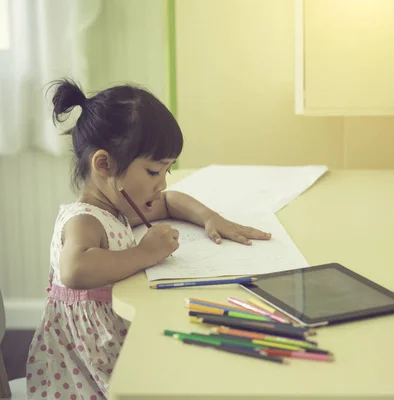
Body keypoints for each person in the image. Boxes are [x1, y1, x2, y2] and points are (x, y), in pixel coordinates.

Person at [25, 79, 271, 400]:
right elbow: (74, 269)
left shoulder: (117, 204)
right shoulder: (84, 219)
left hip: (113, 337)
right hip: (82, 365)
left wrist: (210, 217)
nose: (161, 183)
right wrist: (146, 253)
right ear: (104, 164)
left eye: (167, 171)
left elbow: (170, 201)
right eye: (154, 172)